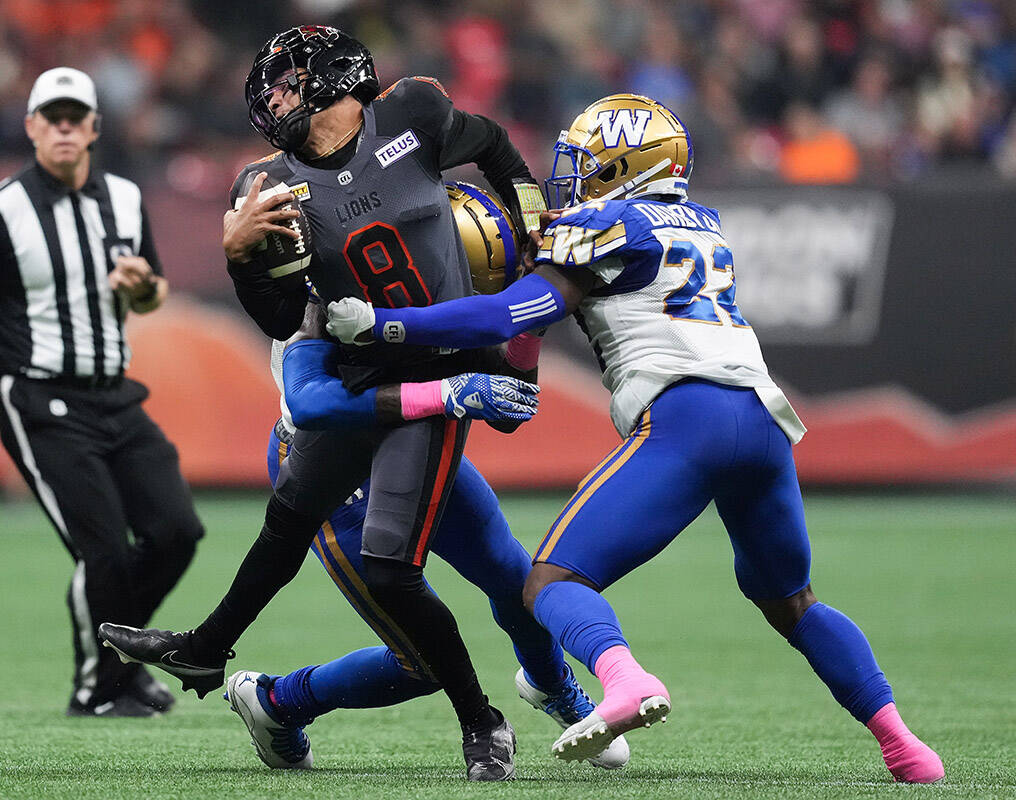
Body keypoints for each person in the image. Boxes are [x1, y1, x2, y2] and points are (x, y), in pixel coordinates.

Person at [325, 94, 945, 784]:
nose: (574, 175)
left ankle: (625, 681)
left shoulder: (606, 222)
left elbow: (507, 316)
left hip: (689, 420)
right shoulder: (701, 223)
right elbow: (533, 342)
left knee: (551, 580)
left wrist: (389, 326)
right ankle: (903, 745)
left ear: (626, 166)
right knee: (793, 601)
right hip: (765, 423)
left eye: (589, 163)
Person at [99, 25, 550, 781]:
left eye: (284, 81)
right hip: (361, 369)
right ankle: (208, 649)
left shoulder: (413, 115)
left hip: (441, 361)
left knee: (391, 565)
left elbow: (497, 146)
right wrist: (240, 259)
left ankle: (485, 720)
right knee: (290, 516)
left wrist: (532, 222)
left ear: (336, 78)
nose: (271, 98)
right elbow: (279, 318)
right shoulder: (265, 185)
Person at [218, 190, 629, 773]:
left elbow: (510, 389)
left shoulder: (435, 274)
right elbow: (316, 404)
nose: (474, 298)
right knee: (424, 660)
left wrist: (528, 328)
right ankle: (278, 701)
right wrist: (444, 391)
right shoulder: (331, 293)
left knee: (517, 582)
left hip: (417, 442)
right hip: (332, 463)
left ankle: (551, 683)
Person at [0, 67, 203, 718]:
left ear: (94, 128)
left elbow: (154, 289)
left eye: (74, 117)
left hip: (115, 395)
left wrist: (141, 288)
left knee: (176, 532)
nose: (62, 128)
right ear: (29, 127)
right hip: (40, 399)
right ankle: (97, 686)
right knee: (102, 550)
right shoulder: (1, 210)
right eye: (49, 117)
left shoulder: (127, 201)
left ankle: (121, 656)